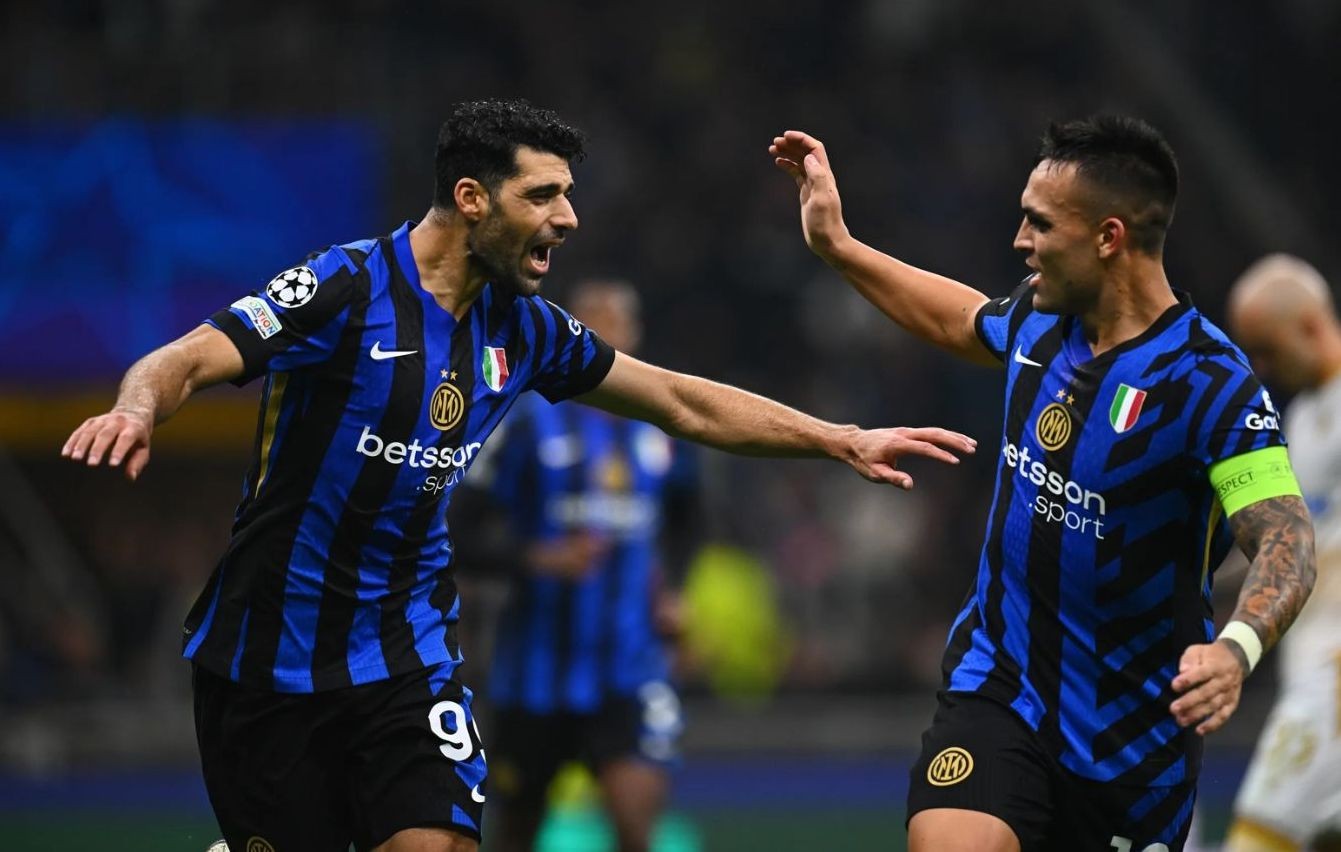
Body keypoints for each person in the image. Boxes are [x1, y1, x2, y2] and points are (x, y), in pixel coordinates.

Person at [59, 99, 976, 852]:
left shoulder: (525, 329)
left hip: (405, 655)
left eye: (567, 195)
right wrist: (137, 408)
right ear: (471, 198)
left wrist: (837, 439)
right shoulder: (345, 289)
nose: (567, 219)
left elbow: (680, 402)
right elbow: (186, 356)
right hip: (264, 657)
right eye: (543, 195)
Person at [771, 116, 1316, 852]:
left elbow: (1286, 536)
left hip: (1132, 744)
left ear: (1108, 237)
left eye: (1039, 224)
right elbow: (963, 320)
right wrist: (838, 246)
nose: (1019, 241)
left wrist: (1235, 649)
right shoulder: (1040, 317)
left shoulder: (1211, 384)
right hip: (1000, 686)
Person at [463, 279, 699, 852]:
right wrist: (534, 557)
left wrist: (674, 589)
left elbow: (690, 516)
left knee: (635, 828)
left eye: (617, 324)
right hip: (534, 671)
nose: (606, 337)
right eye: (593, 324)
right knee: (514, 833)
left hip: (629, 669)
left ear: (635, 334)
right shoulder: (524, 420)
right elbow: (459, 531)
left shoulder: (661, 427)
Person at [1224, 254, 1341, 852]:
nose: (1263, 368)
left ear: (1311, 327)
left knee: (1256, 837)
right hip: (1308, 667)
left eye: (1268, 350)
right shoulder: (1303, 415)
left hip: (1333, 680)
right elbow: (1296, 544)